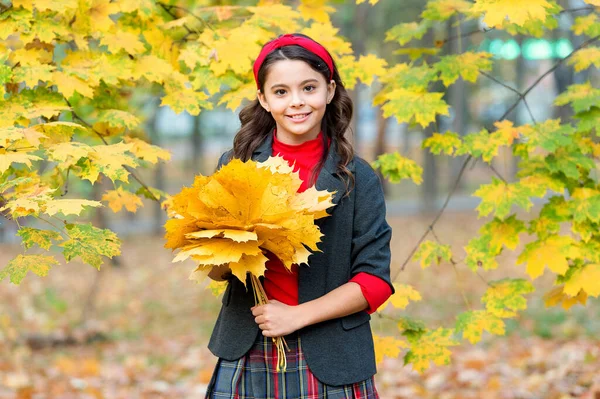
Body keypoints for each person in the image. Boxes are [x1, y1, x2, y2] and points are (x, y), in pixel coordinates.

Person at [205, 33, 394, 399]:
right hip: (248, 349)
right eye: (281, 92)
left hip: (332, 358)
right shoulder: (235, 167)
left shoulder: (358, 177)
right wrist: (231, 245)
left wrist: (297, 315)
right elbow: (216, 271)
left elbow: (375, 281)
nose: (296, 102)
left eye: (308, 87)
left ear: (329, 89)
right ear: (263, 98)